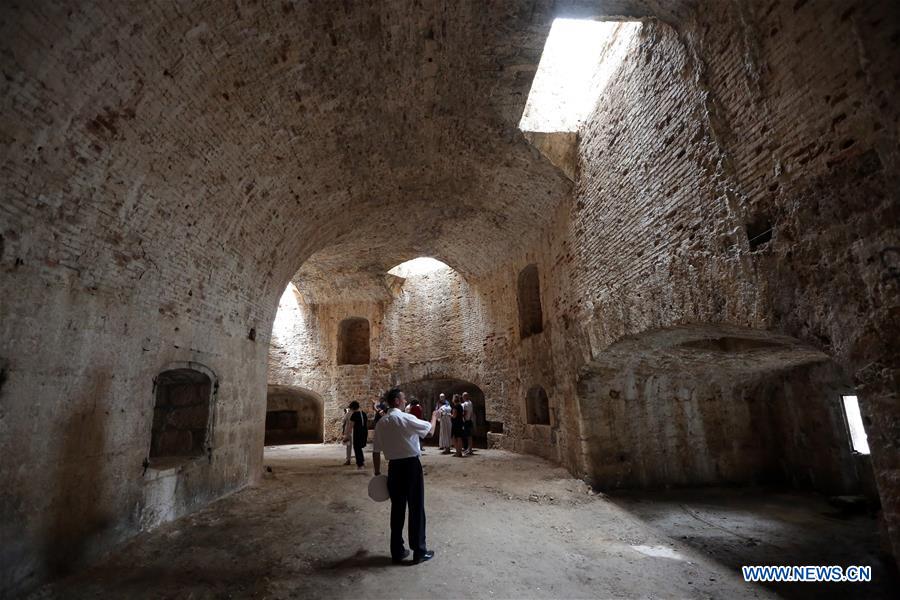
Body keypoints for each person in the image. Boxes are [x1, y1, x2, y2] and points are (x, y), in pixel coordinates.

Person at [372, 387, 439, 564]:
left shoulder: (381, 422)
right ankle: (419, 551)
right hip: (411, 466)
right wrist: (434, 417)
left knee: (397, 509)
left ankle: (397, 551)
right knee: (416, 508)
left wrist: (378, 474)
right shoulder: (405, 418)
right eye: (403, 399)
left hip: (393, 468)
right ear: (396, 401)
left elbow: (376, 450)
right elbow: (430, 432)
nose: (405, 401)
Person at [345, 401, 369, 469]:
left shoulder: (354, 414)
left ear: (352, 407)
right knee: (359, 447)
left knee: (357, 448)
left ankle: (360, 464)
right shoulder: (363, 413)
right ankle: (362, 461)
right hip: (364, 432)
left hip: (357, 433)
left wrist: (347, 435)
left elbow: (351, 426)